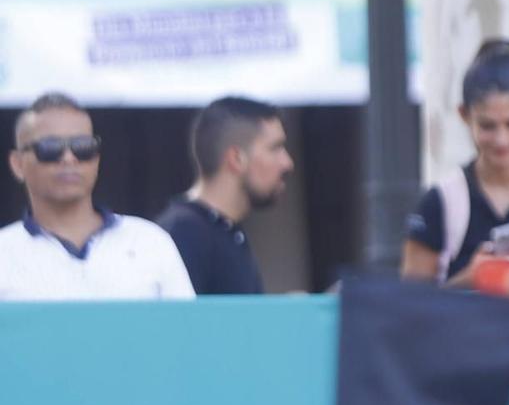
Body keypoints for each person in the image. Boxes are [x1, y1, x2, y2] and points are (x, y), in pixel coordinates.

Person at [403, 39, 509, 285]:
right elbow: (409, 308)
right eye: (487, 126)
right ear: (464, 115)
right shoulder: (439, 204)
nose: (502, 140)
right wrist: (472, 278)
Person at [0, 92, 193, 301]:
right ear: (18, 164)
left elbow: (187, 330)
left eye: (83, 147)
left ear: (96, 159)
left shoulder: (150, 241)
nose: (69, 158)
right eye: (50, 148)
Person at [156, 96, 293, 295]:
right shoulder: (183, 234)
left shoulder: (227, 232)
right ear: (236, 158)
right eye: (275, 148)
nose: (287, 163)